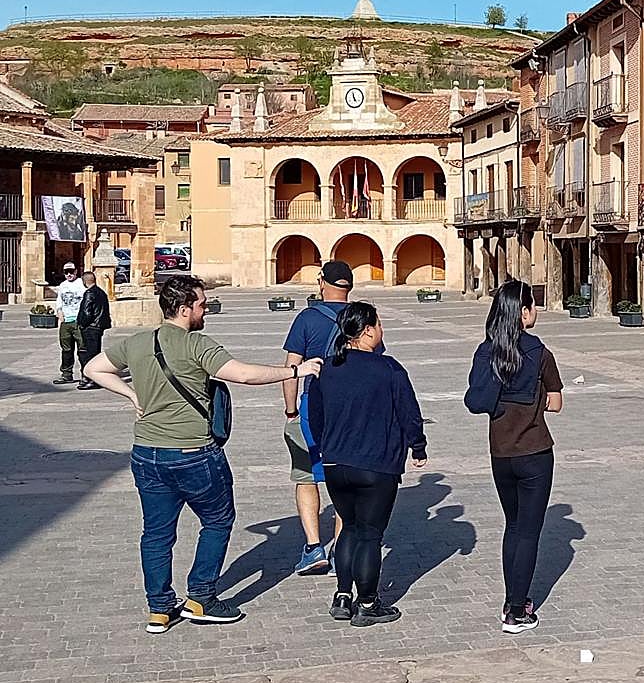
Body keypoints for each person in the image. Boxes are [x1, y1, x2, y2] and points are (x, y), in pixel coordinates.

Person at [83, 276, 323, 635]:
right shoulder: (197, 345)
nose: (205, 308)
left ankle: (160, 608)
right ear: (184, 309)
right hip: (194, 454)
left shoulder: (137, 342)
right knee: (217, 521)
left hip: (147, 454)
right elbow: (242, 374)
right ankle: (202, 597)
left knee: (156, 533)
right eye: (201, 303)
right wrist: (295, 370)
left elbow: (92, 369)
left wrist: (132, 395)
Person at [307, 301, 428, 628]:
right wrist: (418, 445)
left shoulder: (326, 369)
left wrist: (326, 447)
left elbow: (315, 416)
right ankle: (369, 602)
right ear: (369, 329)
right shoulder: (388, 369)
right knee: (371, 534)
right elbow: (408, 412)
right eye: (379, 323)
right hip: (376, 464)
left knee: (349, 526)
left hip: (336, 463)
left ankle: (343, 596)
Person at [464, 280, 564, 634]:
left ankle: (512, 600)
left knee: (513, 526)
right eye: (532, 306)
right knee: (529, 533)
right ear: (522, 313)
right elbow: (556, 401)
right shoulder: (539, 353)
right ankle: (516, 610)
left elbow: (476, 400)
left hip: (500, 454)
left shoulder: (485, 352)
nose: (535, 311)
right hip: (535, 452)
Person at [281, 260, 385, 575]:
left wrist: (291, 411)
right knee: (345, 476)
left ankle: (314, 548)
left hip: (314, 406)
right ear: (349, 287)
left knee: (306, 475)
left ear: (322, 282)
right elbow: (376, 366)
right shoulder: (362, 318)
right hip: (353, 412)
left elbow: (291, 368)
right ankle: (342, 545)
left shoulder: (307, 319)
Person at [75, 271, 111, 390]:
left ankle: (92, 379)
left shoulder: (89, 293)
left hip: (91, 327)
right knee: (94, 352)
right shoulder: (101, 292)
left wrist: (81, 323)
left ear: (84, 281)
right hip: (98, 327)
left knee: (89, 354)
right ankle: (92, 378)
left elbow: (86, 312)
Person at [53, 261, 87, 385]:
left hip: (78, 321)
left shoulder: (81, 284)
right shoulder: (62, 285)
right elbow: (59, 301)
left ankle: (86, 374)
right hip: (66, 322)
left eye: (71, 272)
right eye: (66, 272)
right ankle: (66, 374)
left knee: (82, 349)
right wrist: (59, 312)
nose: (69, 274)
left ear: (76, 271)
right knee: (66, 349)